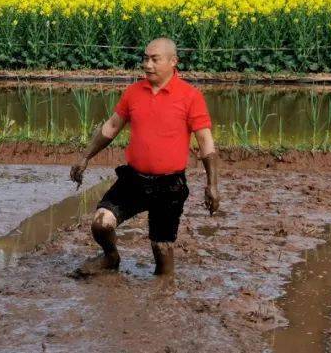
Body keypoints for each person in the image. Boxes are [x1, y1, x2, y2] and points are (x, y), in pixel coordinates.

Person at [69, 37, 219, 276]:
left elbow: (205, 141)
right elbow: (112, 126)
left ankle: (162, 302)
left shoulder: (190, 96)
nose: (147, 65)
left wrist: (212, 184)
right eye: (145, 58)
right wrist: (85, 157)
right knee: (101, 223)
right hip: (134, 181)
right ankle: (111, 257)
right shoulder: (134, 92)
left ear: (173, 62)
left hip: (170, 186)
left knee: (163, 261)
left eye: (154, 59)